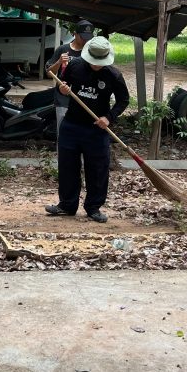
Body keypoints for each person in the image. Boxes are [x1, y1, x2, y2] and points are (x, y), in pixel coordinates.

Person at [45, 36, 130, 224]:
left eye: (100, 62)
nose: (96, 65)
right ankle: (67, 205)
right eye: (94, 61)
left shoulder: (113, 75)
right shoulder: (75, 65)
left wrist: (109, 117)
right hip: (71, 125)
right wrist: (63, 90)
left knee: (98, 169)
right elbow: (62, 85)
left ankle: (93, 207)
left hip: (96, 130)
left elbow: (123, 100)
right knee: (67, 167)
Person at [45, 20, 94, 133]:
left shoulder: (91, 52)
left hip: (83, 99)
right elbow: (49, 73)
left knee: (81, 133)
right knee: (63, 132)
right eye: (82, 37)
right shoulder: (63, 50)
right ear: (75, 34)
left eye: (88, 38)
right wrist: (59, 62)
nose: (85, 40)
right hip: (63, 99)